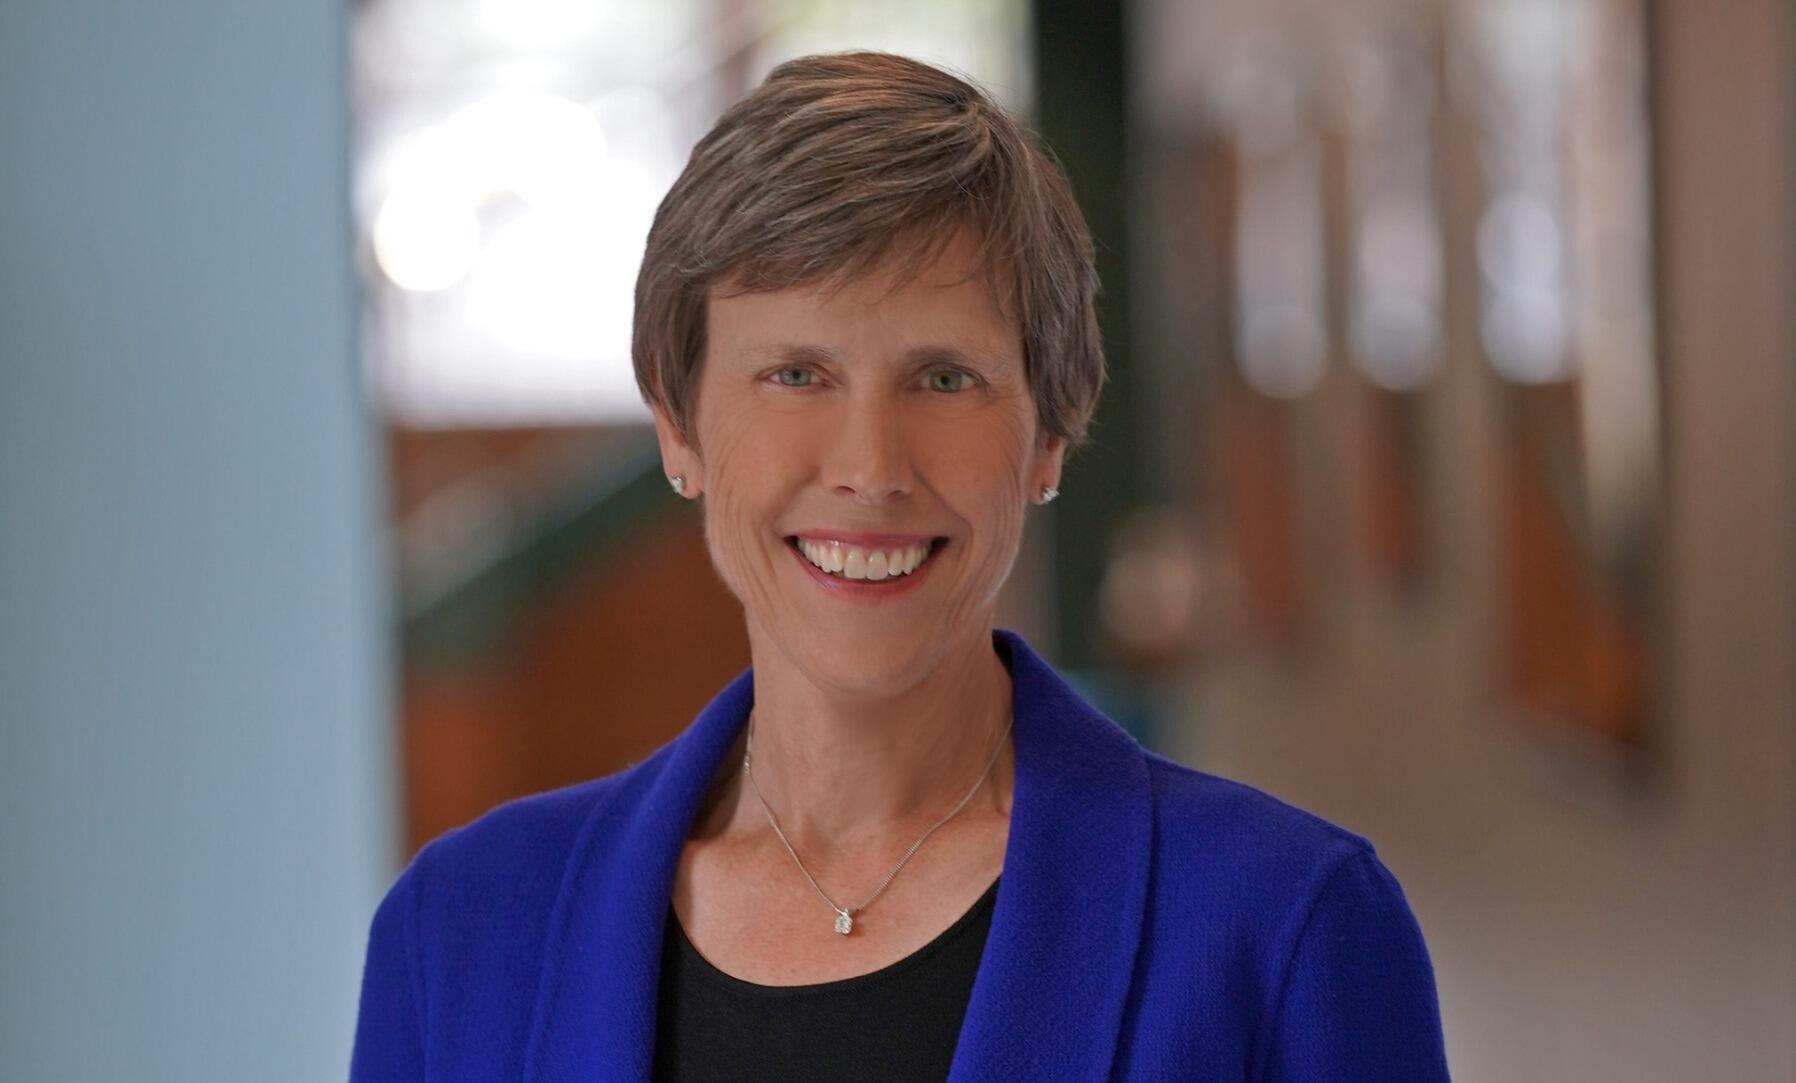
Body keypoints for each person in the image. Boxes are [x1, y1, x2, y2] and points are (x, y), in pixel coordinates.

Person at [350, 51, 1451, 1082]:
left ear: (1050, 432)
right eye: (794, 373)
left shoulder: (1288, 927)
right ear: (676, 426)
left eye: (942, 379)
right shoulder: (458, 932)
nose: (871, 469)